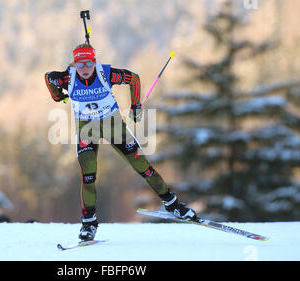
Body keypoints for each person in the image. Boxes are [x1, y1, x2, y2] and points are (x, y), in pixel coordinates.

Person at [45, 43, 198, 241]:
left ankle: (172, 204)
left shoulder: (105, 74)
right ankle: (89, 224)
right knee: (88, 175)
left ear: (94, 61)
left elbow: (133, 78)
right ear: (74, 63)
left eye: (88, 63)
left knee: (142, 166)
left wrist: (135, 106)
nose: (84, 68)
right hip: (86, 128)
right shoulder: (67, 77)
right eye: (80, 64)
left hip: (112, 124)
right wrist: (58, 96)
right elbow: (49, 78)